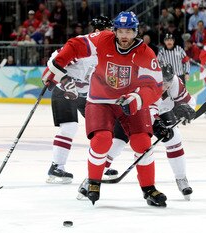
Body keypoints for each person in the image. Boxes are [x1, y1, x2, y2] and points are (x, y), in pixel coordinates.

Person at [42, 11, 166, 207]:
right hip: (100, 100)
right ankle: (93, 182)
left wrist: (137, 99)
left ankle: (149, 188)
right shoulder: (103, 38)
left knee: (142, 143)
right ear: (115, 31)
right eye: (121, 31)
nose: (124, 35)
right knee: (101, 141)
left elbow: (154, 86)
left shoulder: (145, 52)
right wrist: (58, 65)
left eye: (129, 31)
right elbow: (76, 45)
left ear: (136, 32)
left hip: (129, 100)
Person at [78, 63, 197, 201]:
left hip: (163, 111)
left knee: (175, 138)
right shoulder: (147, 82)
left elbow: (189, 101)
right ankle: (92, 179)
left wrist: (187, 109)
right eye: (162, 83)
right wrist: (158, 126)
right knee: (116, 145)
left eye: (168, 83)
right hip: (136, 112)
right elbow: (146, 112)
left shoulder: (175, 82)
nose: (165, 87)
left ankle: (181, 178)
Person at [44, 16, 118, 184]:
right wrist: (64, 80)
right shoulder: (83, 45)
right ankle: (57, 167)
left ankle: (102, 164)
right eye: (110, 30)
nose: (113, 34)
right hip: (65, 90)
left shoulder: (109, 50)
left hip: (86, 94)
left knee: (104, 129)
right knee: (69, 127)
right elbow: (53, 61)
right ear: (99, 31)